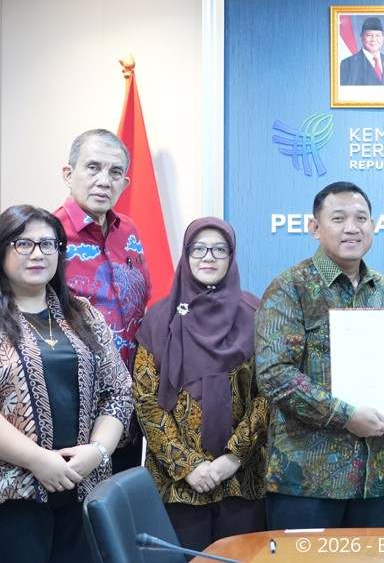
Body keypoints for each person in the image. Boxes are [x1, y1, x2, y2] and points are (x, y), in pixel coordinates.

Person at [0, 205, 132, 563]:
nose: (38, 253)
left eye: (48, 244)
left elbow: (118, 391)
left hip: (81, 489)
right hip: (4, 499)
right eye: (24, 244)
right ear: (0, 250)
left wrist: (98, 451)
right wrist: (38, 461)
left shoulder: (82, 313)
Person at [255, 181, 384, 529]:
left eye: (361, 218)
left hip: (374, 478)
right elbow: (276, 375)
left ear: (373, 225)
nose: (352, 227)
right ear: (314, 227)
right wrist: (346, 416)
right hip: (307, 481)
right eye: (338, 218)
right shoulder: (290, 287)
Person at [133, 217, 268, 551]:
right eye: (199, 249)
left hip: (241, 480)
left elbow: (267, 395)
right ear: (186, 254)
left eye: (220, 249)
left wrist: (232, 458)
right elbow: (146, 400)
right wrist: (188, 465)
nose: (209, 257)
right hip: (176, 483)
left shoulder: (255, 315)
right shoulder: (158, 319)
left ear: (232, 256)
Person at [54, 128, 151, 473]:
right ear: (69, 174)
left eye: (114, 172)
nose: (103, 181)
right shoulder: (48, 236)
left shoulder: (130, 232)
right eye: (93, 167)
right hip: (72, 408)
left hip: (126, 408)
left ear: (125, 183)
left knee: (119, 500)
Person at [339, 17, 384, 86]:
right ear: (361, 36)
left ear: (382, 38)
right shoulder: (348, 64)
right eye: (369, 35)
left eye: (378, 35)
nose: (374, 39)